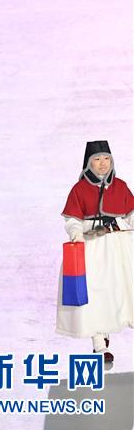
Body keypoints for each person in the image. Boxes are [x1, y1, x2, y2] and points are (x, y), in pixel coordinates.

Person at [56, 140, 134, 363]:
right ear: (88, 163)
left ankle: (109, 329)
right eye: (97, 159)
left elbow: (130, 212)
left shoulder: (120, 185)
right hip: (92, 247)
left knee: (119, 289)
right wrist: (77, 236)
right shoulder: (79, 189)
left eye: (106, 158)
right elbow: (72, 219)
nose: (103, 164)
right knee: (95, 292)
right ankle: (99, 342)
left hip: (118, 247)